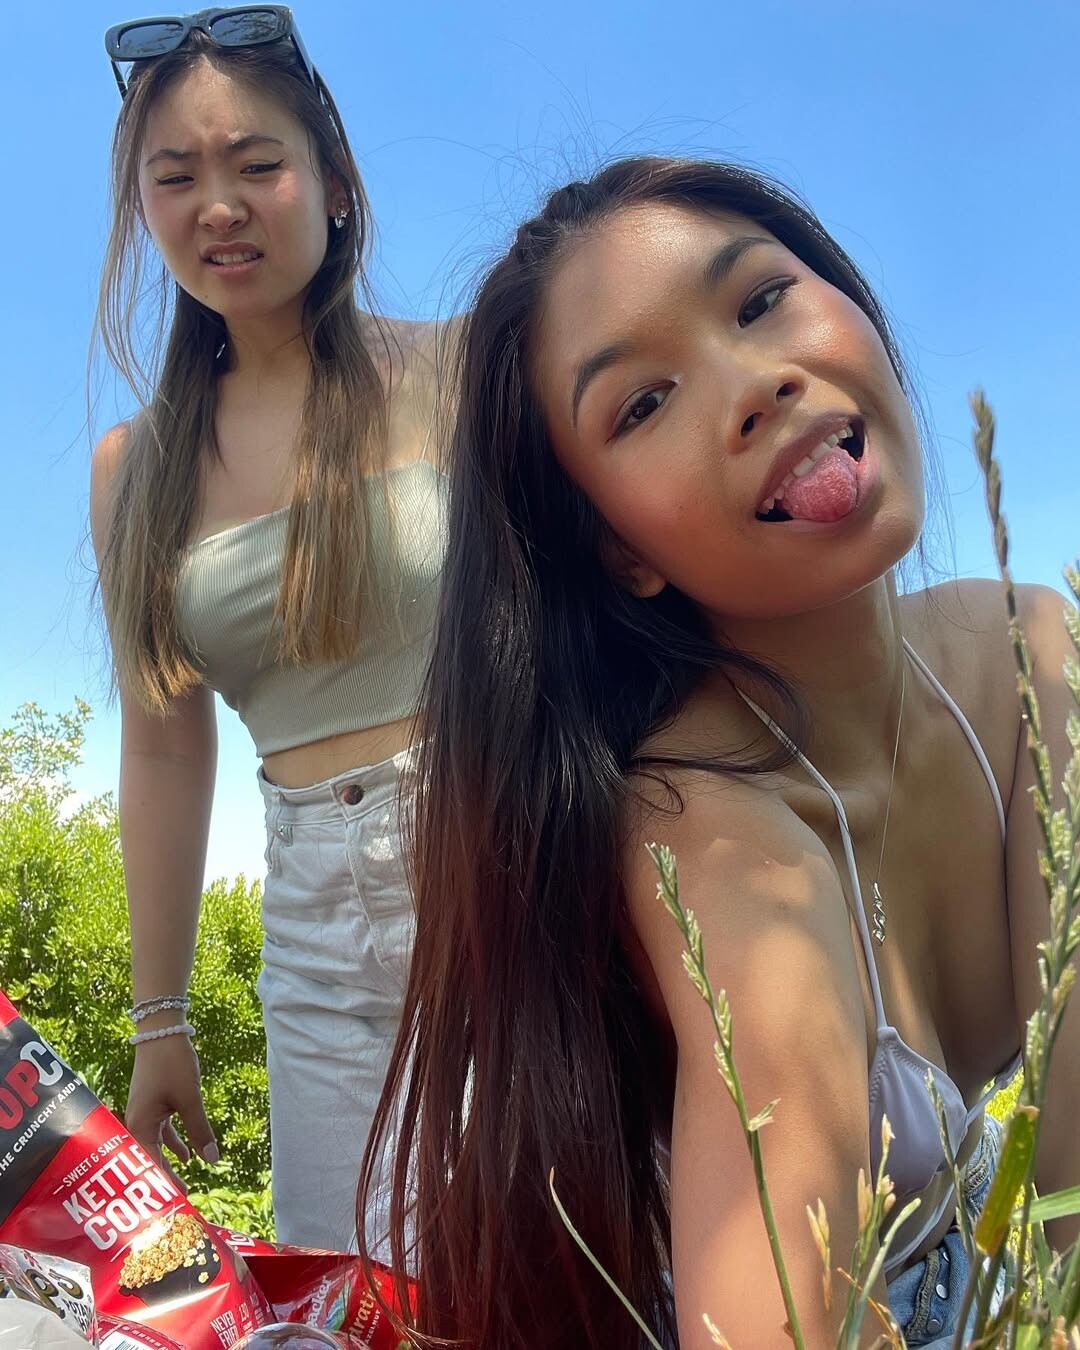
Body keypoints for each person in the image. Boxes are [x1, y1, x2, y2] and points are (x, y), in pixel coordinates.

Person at [360, 157, 1077, 1346]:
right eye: (643, 404)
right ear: (619, 550)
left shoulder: (1029, 653)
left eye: (760, 300)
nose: (755, 384)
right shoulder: (701, 823)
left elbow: (1070, 1190)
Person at [90, 6, 450, 1252]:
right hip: (314, 936)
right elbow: (163, 745)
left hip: (512, 871)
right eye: (175, 178)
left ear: (336, 183)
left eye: (257, 164)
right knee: (355, 1297)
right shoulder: (136, 471)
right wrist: (159, 1017)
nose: (219, 207)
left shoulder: (462, 369)